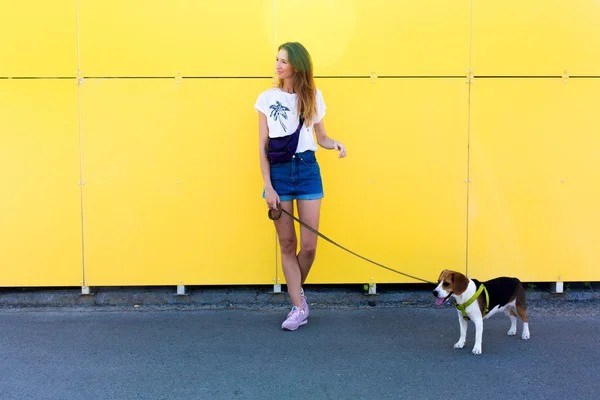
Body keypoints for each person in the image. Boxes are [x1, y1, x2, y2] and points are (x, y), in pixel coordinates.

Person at [254, 42, 347, 331]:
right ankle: (298, 306)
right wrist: (268, 186)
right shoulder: (266, 98)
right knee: (287, 244)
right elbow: (262, 146)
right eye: (277, 60)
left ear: (297, 65)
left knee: (308, 246)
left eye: (284, 61)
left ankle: (297, 292)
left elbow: (321, 136)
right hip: (279, 173)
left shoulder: (313, 96)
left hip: (307, 169)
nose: (278, 65)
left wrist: (335, 144)